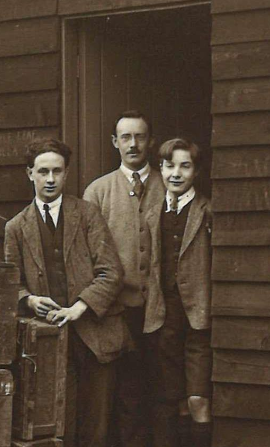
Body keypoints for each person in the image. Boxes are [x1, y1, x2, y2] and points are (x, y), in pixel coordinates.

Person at [4, 138, 128, 447]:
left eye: (56, 171)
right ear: (29, 173)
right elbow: (9, 285)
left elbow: (111, 272)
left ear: (66, 173)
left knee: (96, 430)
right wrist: (29, 300)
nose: (50, 179)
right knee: (58, 428)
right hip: (47, 342)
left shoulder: (87, 215)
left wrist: (80, 307)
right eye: (42, 171)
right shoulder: (16, 228)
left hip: (94, 336)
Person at [83, 110, 165, 447]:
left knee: (160, 391)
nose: (133, 144)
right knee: (122, 394)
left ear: (150, 141)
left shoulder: (168, 183)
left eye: (140, 136)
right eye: (126, 138)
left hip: (161, 310)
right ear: (115, 143)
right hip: (117, 311)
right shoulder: (98, 192)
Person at [143, 138, 213, 447]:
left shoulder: (207, 211)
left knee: (198, 398)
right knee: (172, 399)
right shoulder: (152, 212)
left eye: (185, 166)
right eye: (170, 166)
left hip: (198, 317)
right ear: (160, 169)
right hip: (164, 316)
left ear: (195, 172)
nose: (176, 173)